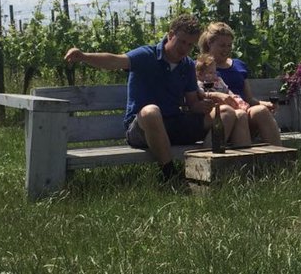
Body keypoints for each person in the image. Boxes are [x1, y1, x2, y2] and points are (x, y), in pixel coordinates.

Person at [63, 13, 250, 183]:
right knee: (151, 111)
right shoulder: (147, 55)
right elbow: (114, 60)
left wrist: (208, 104)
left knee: (226, 113)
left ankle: (202, 170)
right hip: (142, 128)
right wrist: (83, 56)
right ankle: (169, 175)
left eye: (190, 45)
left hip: (174, 122)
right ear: (170, 35)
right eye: (181, 42)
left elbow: (192, 104)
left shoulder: (186, 66)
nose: (185, 49)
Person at [198, 21, 283, 146]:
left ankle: (279, 157)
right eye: (222, 45)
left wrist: (266, 104)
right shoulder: (203, 67)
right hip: (221, 112)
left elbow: (248, 98)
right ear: (210, 43)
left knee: (261, 111)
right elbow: (198, 91)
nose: (226, 49)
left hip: (241, 106)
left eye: (229, 45)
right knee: (239, 115)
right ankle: (243, 162)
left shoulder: (238, 65)